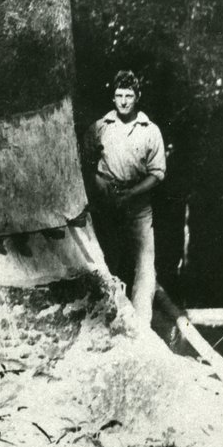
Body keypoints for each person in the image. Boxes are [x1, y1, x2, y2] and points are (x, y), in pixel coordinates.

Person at [86, 70, 166, 326]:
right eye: (119, 95)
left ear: (137, 97)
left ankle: (142, 325)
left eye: (128, 96)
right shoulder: (100, 127)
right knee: (107, 261)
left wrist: (133, 192)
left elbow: (157, 173)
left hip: (138, 206)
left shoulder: (150, 130)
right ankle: (107, 321)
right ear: (112, 97)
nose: (123, 101)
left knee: (144, 265)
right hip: (106, 204)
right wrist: (98, 183)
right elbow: (82, 161)